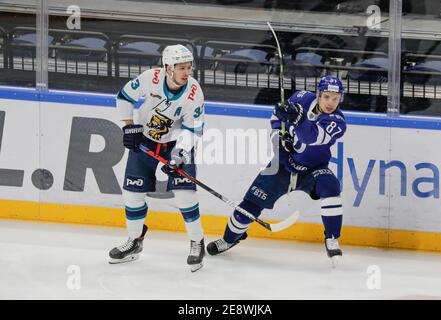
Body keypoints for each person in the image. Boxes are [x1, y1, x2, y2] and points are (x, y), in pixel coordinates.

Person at [207, 75, 346, 266]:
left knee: (331, 188)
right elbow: (276, 116)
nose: (331, 102)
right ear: (318, 94)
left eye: (335, 98)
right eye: (327, 97)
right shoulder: (301, 98)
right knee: (246, 209)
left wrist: (297, 119)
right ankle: (229, 239)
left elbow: (309, 137)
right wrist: (278, 139)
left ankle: (332, 239)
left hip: (314, 170)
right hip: (282, 165)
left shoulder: (337, 121)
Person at [109, 44, 206, 272]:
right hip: (144, 141)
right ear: (167, 68)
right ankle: (134, 241)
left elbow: (194, 129)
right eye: (181, 68)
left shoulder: (194, 92)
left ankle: (197, 241)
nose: (186, 72)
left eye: (189, 67)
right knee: (132, 193)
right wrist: (129, 127)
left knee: (184, 195)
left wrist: (179, 154)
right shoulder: (150, 78)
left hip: (176, 142)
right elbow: (123, 97)